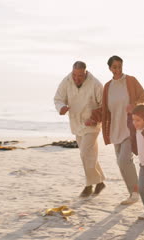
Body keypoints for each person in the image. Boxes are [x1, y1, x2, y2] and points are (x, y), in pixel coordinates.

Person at [54, 61, 106, 197]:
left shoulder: (95, 84)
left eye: (80, 76)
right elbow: (58, 98)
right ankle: (100, 182)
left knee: (84, 154)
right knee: (90, 155)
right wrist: (61, 108)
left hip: (92, 125)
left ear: (85, 73)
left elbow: (105, 106)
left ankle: (89, 185)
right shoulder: (67, 81)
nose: (76, 79)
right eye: (74, 75)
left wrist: (94, 119)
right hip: (76, 124)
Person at [102, 55, 144, 205]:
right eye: (114, 67)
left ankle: (136, 192)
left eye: (120, 66)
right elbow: (104, 110)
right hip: (115, 130)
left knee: (124, 161)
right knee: (121, 163)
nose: (117, 70)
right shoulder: (107, 87)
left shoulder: (131, 81)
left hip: (130, 129)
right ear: (109, 68)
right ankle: (133, 193)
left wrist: (134, 105)